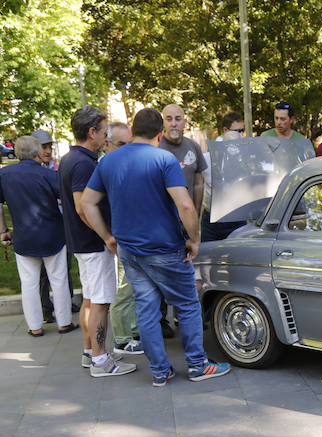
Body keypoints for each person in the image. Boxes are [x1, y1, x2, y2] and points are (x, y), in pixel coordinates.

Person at [82, 107, 231, 387]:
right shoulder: (164, 159)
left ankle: (160, 371)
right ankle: (198, 365)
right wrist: (195, 239)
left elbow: (86, 203)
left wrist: (107, 236)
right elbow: (185, 204)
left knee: (146, 308)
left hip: (129, 250)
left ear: (133, 130)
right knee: (187, 304)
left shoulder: (108, 161)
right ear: (160, 134)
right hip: (164, 249)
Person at [58, 106, 136, 377]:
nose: (106, 138)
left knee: (91, 300)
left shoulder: (70, 158)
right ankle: (102, 361)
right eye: (104, 132)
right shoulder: (83, 163)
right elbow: (83, 207)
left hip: (83, 243)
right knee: (100, 302)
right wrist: (107, 237)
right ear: (92, 132)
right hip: (92, 244)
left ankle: (90, 352)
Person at [0, 136, 74, 337]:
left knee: (29, 283)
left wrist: (3, 230)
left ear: (16, 152)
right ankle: (64, 322)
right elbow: (67, 200)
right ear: (37, 152)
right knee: (58, 280)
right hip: (53, 235)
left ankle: (35, 326)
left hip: (24, 236)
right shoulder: (48, 175)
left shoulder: (5, 174)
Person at [158, 104, 206, 338]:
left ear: (185, 121)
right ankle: (160, 319)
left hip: (189, 219)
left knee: (188, 269)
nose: (174, 123)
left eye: (178, 118)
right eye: (169, 119)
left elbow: (198, 183)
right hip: (164, 222)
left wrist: (196, 213)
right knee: (161, 273)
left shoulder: (193, 147)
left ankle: (183, 315)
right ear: (163, 123)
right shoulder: (157, 149)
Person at [103, 122, 143, 355]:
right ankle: (121, 339)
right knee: (122, 290)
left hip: (132, 235)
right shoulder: (105, 168)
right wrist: (109, 236)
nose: (127, 148)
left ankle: (134, 332)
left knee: (133, 287)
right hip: (117, 239)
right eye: (121, 144)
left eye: (130, 143)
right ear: (107, 144)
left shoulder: (125, 165)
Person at [32, 129, 76, 322]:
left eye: (50, 146)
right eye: (44, 147)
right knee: (42, 273)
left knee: (64, 266)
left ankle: (67, 302)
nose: (48, 150)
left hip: (62, 224)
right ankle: (46, 308)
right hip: (40, 226)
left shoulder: (58, 168)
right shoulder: (32, 171)